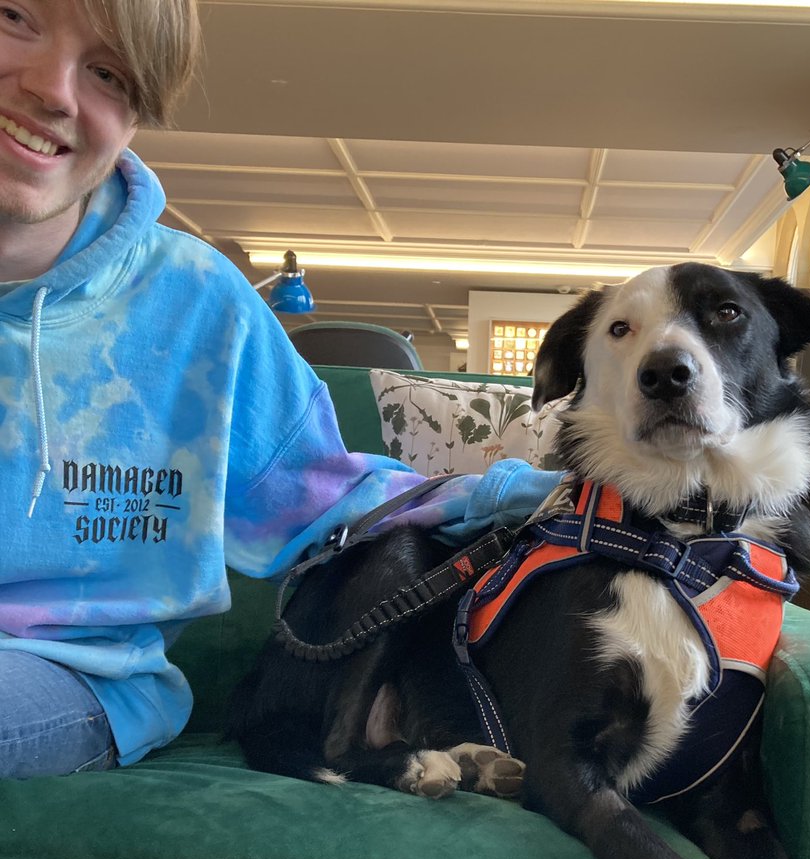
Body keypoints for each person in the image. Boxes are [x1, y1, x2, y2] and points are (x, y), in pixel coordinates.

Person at [0, 0, 559, 779]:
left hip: (67, 672)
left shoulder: (201, 303)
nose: (56, 90)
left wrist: (543, 492)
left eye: (107, 72)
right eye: (16, 16)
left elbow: (331, 497)